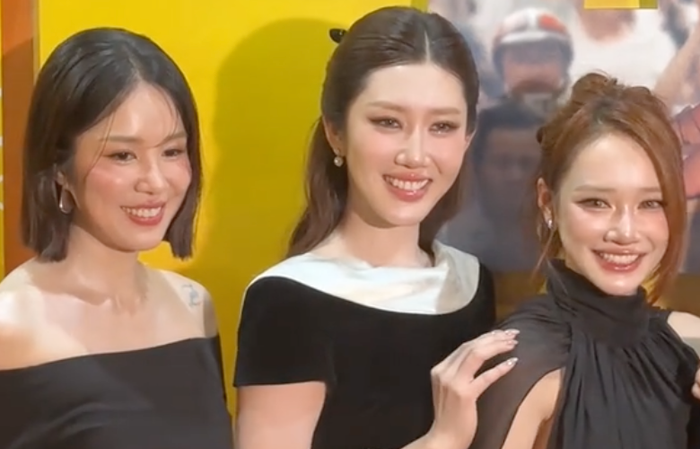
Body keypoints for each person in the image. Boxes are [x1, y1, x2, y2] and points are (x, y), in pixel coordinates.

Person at [233, 6, 518, 449]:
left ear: (467, 138)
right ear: (335, 131)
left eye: (442, 126)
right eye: (388, 122)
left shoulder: (471, 282)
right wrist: (441, 440)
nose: (415, 155)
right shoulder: (287, 300)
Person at [0, 28, 232, 448]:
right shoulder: (10, 325)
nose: (155, 182)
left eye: (172, 151)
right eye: (122, 155)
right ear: (60, 168)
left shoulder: (194, 306)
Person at [470, 73, 700, 449]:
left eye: (651, 203)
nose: (626, 231)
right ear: (548, 203)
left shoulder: (689, 343)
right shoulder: (521, 362)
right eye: (596, 202)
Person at [442, 101, 544, 273]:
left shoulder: (561, 246)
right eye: (502, 163)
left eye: (526, 163)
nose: (514, 175)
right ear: (477, 168)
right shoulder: (447, 242)